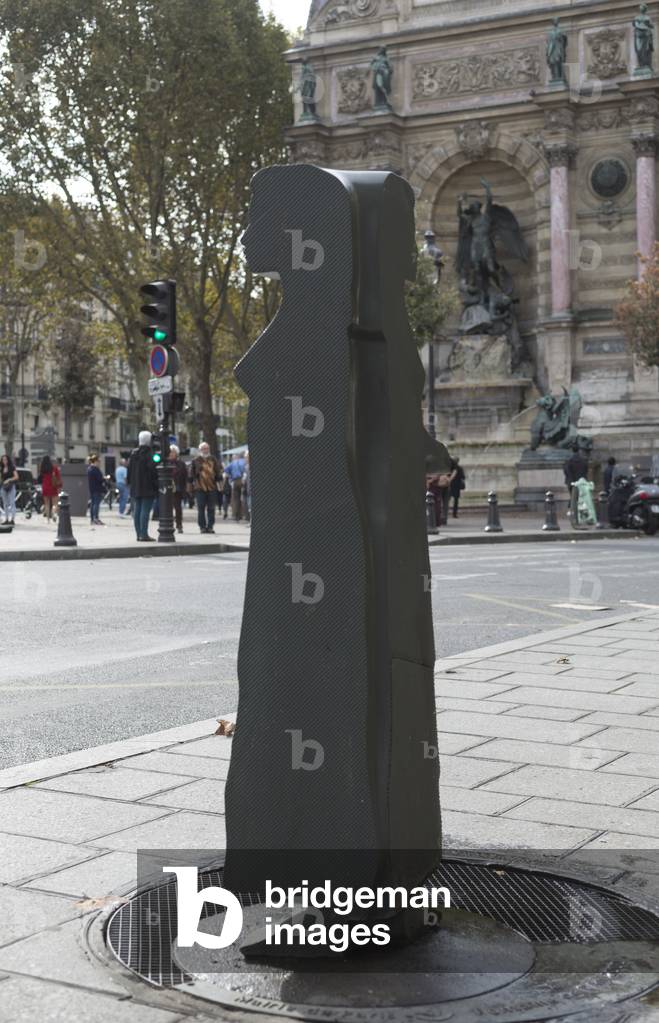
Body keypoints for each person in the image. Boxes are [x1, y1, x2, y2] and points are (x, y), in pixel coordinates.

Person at [127, 431, 159, 541]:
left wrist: (130, 483)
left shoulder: (133, 453)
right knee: (145, 510)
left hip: (135, 486)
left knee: (137, 510)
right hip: (147, 486)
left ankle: (138, 534)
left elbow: (129, 470)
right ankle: (144, 534)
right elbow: (154, 470)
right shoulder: (151, 454)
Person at [191, 441, 222, 534]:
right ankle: (202, 527)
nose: (205, 450)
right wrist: (190, 486)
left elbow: (218, 471)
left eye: (207, 448)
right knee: (201, 508)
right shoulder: (196, 460)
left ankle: (210, 526)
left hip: (212, 487)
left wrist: (220, 483)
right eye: (204, 448)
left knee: (211, 508)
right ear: (200, 450)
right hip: (200, 487)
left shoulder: (213, 459)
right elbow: (191, 474)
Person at [169, 444, 189, 534]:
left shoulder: (181, 463)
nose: (171, 454)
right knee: (167, 508)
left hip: (177, 488)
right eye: (170, 452)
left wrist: (185, 488)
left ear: (176, 453)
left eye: (173, 452)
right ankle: (169, 525)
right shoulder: (165, 463)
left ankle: (179, 525)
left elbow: (185, 476)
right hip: (167, 489)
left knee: (178, 508)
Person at [225, 450, 247, 521]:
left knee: (235, 498)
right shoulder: (245, 462)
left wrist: (231, 478)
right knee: (244, 497)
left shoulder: (233, 463)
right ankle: (245, 515)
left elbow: (226, 471)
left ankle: (236, 515)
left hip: (235, 481)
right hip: (244, 480)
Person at [39, 455, 61, 522]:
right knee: (55, 503)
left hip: (45, 487)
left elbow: (40, 478)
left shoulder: (42, 469)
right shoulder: (54, 468)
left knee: (47, 504)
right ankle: (54, 513)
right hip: (53, 487)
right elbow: (58, 478)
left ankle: (48, 519)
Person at [87, 454, 105, 526]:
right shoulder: (95, 469)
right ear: (96, 461)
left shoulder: (89, 469)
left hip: (92, 488)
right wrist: (104, 478)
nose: (100, 463)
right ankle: (96, 518)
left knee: (93, 504)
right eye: (99, 461)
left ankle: (92, 519)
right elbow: (100, 479)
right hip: (97, 488)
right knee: (96, 504)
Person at [0, 454, 18, 525]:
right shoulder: (1, 468)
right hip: (3, 487)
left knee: (12, 503)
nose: (4, 461)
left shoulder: (12, 467)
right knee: (5, 504)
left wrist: (9, 479)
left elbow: (16, 477)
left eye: (5, 459)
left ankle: (12, 519)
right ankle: (6, 519)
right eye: (3, 460)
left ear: (8, 460)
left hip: (11, 486)